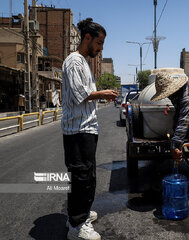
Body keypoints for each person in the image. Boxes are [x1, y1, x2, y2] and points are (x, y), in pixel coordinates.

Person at [61, 18, 117, 240]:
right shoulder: (74, 61)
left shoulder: (83, 61)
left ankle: (80, 214)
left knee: (87, 177)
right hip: (77, 130)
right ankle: (76, 226)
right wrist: (104, 93)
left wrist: (101, 94)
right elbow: (79, 95)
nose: (100, 48)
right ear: (87, 38)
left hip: (86, 128)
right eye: (99, 43)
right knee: (81, 178)